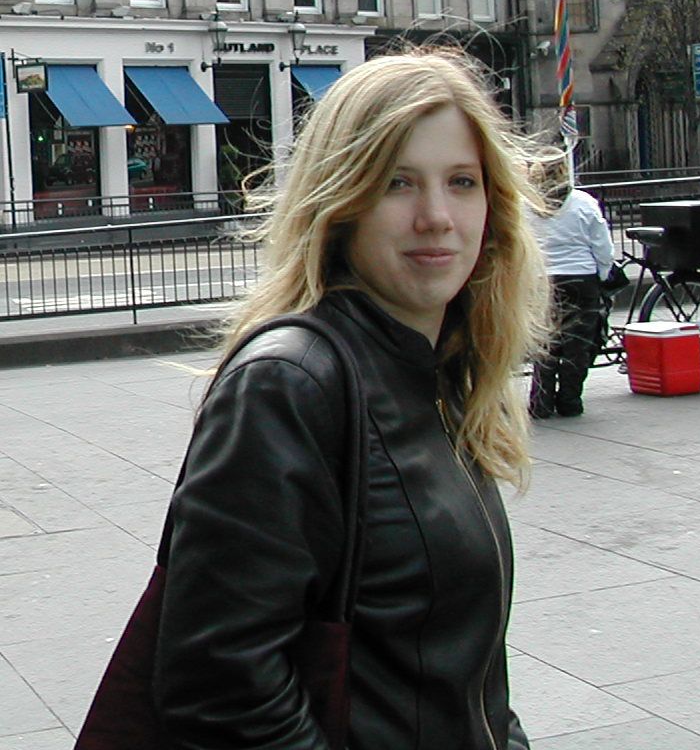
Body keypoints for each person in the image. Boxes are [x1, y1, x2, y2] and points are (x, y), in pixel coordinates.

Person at [152, 47, 552, 749]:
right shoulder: (290, 385)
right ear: (342, 202)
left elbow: (462, 678)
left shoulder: (437, 372)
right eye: (398, 183)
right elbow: (221, 693)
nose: (437, 216)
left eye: (462, 181)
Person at [528, 154, 615, 418]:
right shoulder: (584, 203)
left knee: (546, 343)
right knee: (578, 344)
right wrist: (602, 274)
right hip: (581, 278)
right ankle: (570, 400)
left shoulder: (524, 205)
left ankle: (540, 404)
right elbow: (602, 246)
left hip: (543, 280)